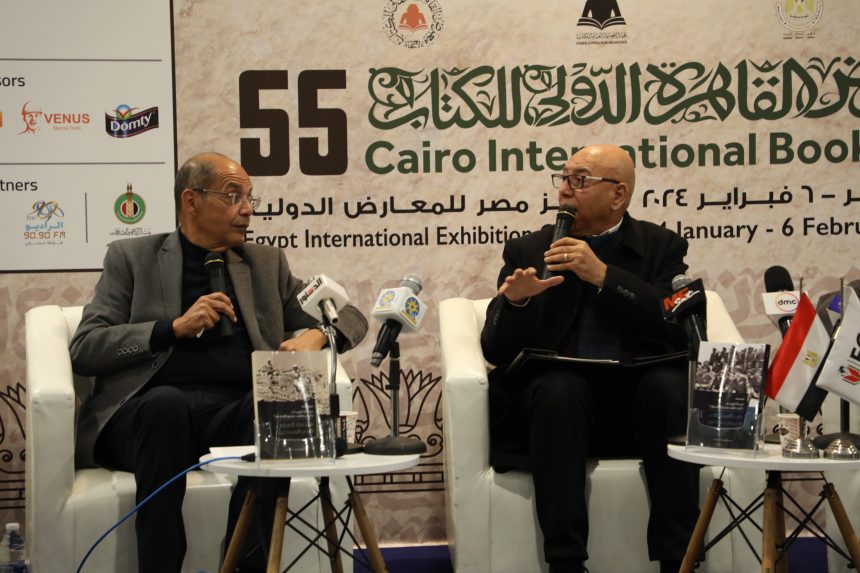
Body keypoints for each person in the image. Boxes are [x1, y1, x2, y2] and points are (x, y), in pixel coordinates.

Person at [70, 152, 368, 572]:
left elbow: (351, 317)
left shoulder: (265, 263)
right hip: (147, 419)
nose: (246, 210)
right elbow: (85, 347)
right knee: (166, 405)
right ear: (191, 200)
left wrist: (318, 335)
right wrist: (171, 328)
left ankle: (243, 566)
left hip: (229, 416)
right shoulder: (132, 258)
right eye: (232, 196)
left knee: (278, 407)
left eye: (249, 198)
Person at [480, 144, 698, 573]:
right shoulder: (529, 250)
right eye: (562, 179)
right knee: (560, 389)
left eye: (578, 180)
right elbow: (495, 350)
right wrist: (517, 303)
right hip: (555, 414)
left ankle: (679, 560)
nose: (564, 190)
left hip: (639, 407)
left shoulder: (662, 247)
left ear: (618, 195)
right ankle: (565, 562)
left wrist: (603, 276)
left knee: (668, 386)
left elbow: (678, 327)